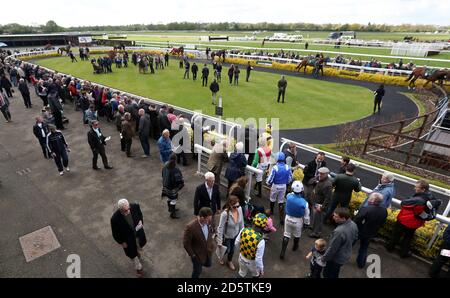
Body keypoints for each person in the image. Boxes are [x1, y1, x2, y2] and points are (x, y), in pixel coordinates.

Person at [386, 180, 436, 258]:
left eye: (417, 187)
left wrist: (409, 198)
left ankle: (389, 248)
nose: (414, 188)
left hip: (405, 220)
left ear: (423, 189)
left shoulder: (418, 200)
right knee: (408, 238)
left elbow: (403, 204)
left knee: (396, 235)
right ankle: (403, 253)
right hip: (416, 223)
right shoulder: (430, 196)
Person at [111, 198, 147, 277]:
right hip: (128, 240)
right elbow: (115, 233)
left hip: (138, 236)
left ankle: (138, 253)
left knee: (139, 247)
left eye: (128, 209)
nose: (128, 212)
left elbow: (140, 215)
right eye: (125, 211)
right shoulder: (115, 219)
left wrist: (141, 221)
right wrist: (121, 242)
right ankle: (139, 269)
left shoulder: (135, 207)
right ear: (120, 209)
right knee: (133, 255)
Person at [353, 192, 387, 268]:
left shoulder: (366, 209)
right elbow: (382, 223)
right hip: (371, 233)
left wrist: (356, 215)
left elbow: (356, 220)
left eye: (370, 198)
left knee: (349, 245)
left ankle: (341, 258)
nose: (368, 199)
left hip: (359, 231)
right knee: (364, 248)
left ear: (372, 200)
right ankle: (361, 264)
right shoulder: (384, 211)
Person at [322, 208, 358, 278]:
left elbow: (332, 249)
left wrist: (324, 258)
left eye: (336, 216)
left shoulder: (339, 231)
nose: (333, 217)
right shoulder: (354, 224)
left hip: (335, 259)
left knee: (327, 274)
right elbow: (355, 239)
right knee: (335, 272)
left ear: (343, 218)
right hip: (345, 255)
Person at [183, 207, 216, 278]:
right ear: (201, 217)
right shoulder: (190, 227)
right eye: (207, 220)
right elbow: (186, 243)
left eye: (210, 219)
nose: (209, 222)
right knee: (197, 271)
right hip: (197, 255)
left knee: (208, 263)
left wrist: (212, 238)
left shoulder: (209, 220)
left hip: (208, 250)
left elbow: (212, 229)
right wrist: (193, 255)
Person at [280, 181, 310, 259]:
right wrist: (307, 223)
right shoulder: (304, 203)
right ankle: (294, 246)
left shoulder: (288, 196)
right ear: (302, 190)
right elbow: (307, 215)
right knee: (297, 235)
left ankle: (282, 252)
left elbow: (291, 194)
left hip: (288, 218)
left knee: (286, 234)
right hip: (298, 220)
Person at [235, 213, 268, 278]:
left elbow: (236, 243)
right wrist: (261, 268)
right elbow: (258, 259)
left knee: (241, 273)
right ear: (264, 226)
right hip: (252, 262)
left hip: (241, 257)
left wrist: (242, 251)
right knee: (256, 275)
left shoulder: (244, 230)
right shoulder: (261, 241)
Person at [216, 195, 244, 270]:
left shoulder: (240, 209)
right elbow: (220, 227)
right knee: (227, 249)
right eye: (234, 207)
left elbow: (242, 223)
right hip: (227, 235)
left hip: (236, 234)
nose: (237, 208)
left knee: (232, 249)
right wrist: (219, 241)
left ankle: (229, 261)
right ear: (229, 205)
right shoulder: (225, 214)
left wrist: (242, 234)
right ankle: (220, 255)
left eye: (238, 206)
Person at [266, 152, 292, 225]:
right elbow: (290, 177)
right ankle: (281, 218)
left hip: (275, 185)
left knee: (272, 198)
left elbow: (270, 178)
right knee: (281, 201)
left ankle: (271, 211)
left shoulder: (275, 167)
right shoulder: (287, 167)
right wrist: (286, 182)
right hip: (283, 186)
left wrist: (268, 183)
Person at [309, 167, 333, 238]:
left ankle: (316, 233)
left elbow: (328, 198)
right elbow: (310, 181)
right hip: (315, 202)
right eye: (319, 173)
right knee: (314, 217)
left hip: (320, 205)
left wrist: (322, 207)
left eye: (322, 174)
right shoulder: (319, 178)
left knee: (318, 219)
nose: (320, 175)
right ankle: (313, 227)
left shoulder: (328, 185)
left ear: (326, 174)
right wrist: (315, 181)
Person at [162, 153, 184, 219]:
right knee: (173, 200)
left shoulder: (165, 165)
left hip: (165, 185)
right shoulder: (175, 169)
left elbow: (162, 174)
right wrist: (181, 183)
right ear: (176, 159)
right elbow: (179, 180)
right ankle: (172, 214)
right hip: (172, 187)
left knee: (169, 198)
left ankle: (170, 209)